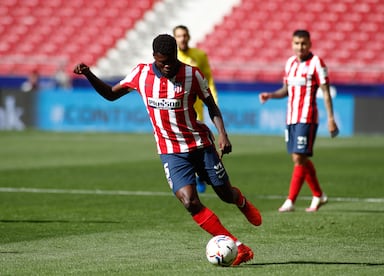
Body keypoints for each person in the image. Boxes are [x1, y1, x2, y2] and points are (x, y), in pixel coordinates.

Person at [73, 34, 261, 265]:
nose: (168, 65)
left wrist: (223, 134)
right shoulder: (141, 74)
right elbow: (111, 95)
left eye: (172, 60)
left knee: (224, 193)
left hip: (200, 145)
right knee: (189, 201)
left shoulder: (193, 74)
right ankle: (238, 246)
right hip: (171, 151)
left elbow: (212, 106)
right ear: (154, 57)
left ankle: (240, 201)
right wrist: (89, 74)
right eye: (163, 62)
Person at [258, 29, 339, 213]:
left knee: (299, 158)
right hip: (291, 118)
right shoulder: (290, 63)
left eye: (303, 43)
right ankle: (319, 195)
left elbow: (325, 92)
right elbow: (286, 90)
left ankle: (290, 200)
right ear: (292, 44)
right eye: (296, 43)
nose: (300, 47)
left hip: (307, 117)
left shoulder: (317, 63)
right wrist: (270, 95)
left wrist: (331, 118)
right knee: (299, 157)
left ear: (310, 44)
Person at [173, 25, 218, 193]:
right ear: (174, 38)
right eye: (179, 36)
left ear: (189, 36)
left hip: (195, 106)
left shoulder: (199, 55)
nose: (182, 38)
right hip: (177, 108)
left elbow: (208, 79)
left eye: (184, 35)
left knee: (196, 143)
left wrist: (213, 100)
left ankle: (200, 175)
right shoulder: (172, 57)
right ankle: (190, 175)